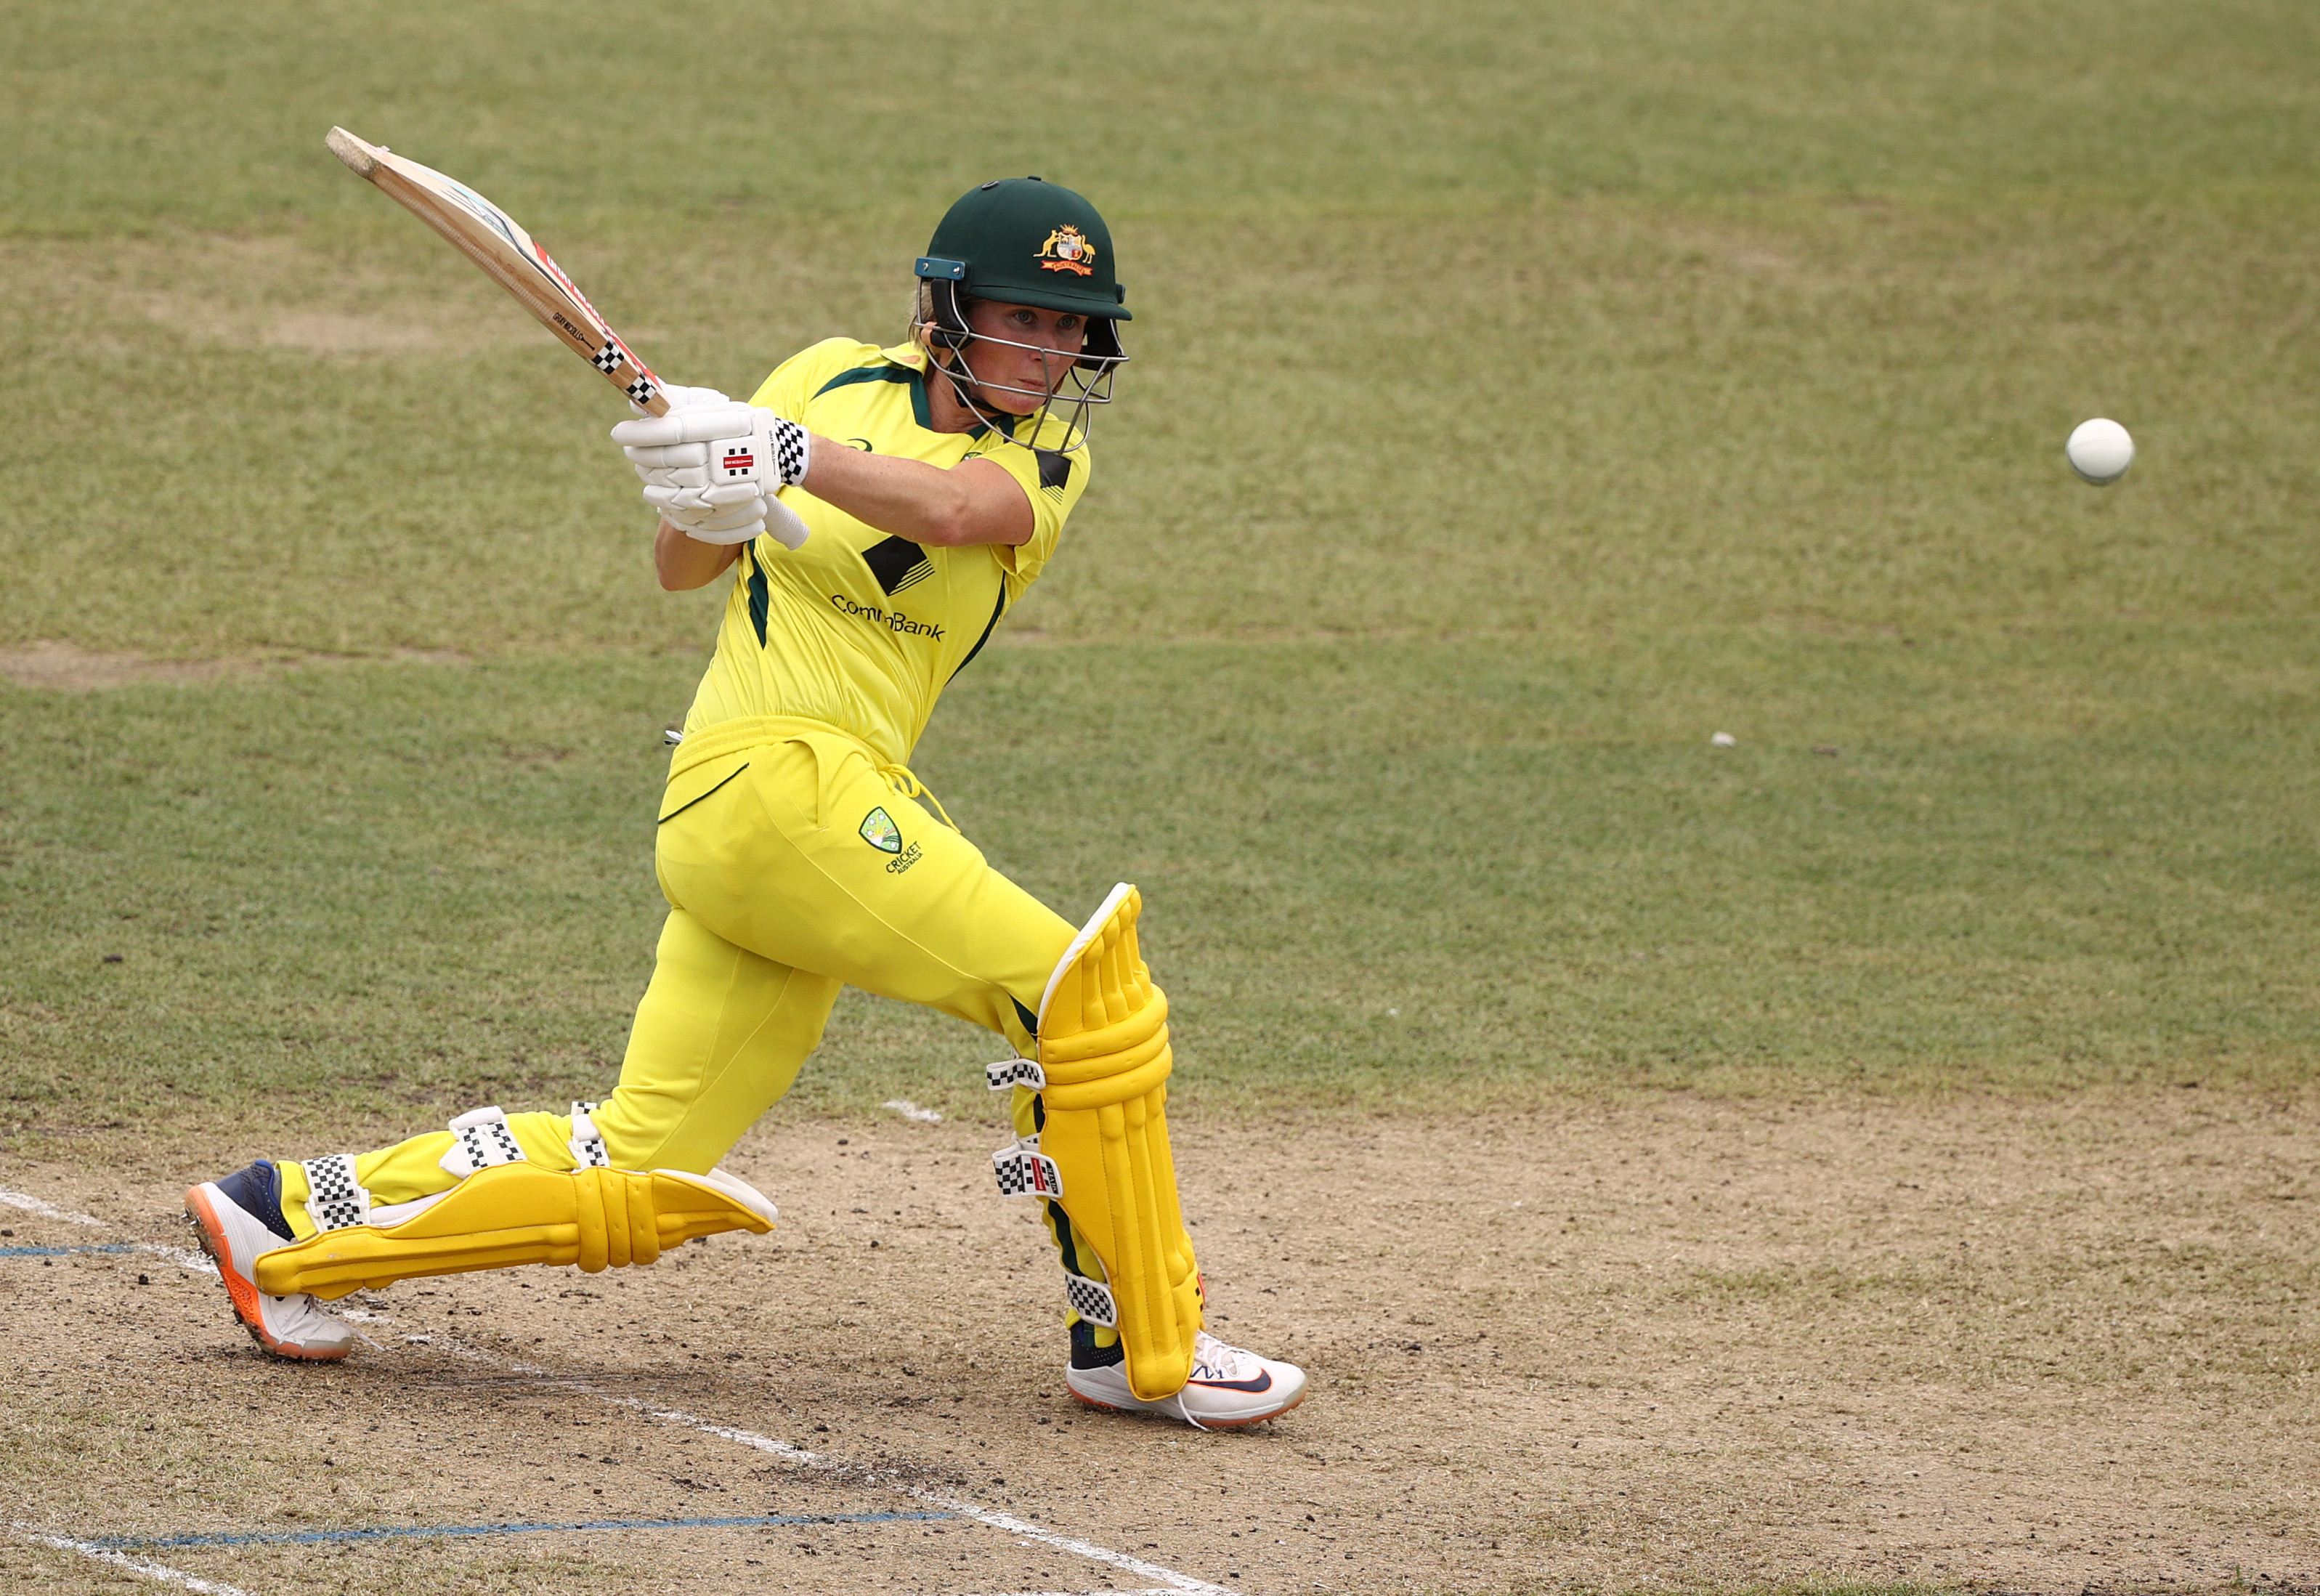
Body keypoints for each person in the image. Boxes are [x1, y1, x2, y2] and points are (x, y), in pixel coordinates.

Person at [183, 177, 1307, 1430]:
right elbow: (684, 568)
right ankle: (1141, 1337)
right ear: (944, 311)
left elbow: (948, 510)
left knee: (640, 1156)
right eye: (1024, 318)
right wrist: (707, 494)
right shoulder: (827, 374)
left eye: (1069, 328)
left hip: (787, 820)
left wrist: (776, 456)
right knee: (1080, 995)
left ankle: (283, 1213)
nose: (1050, 352)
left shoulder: (1044, 457)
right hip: (774, 780)